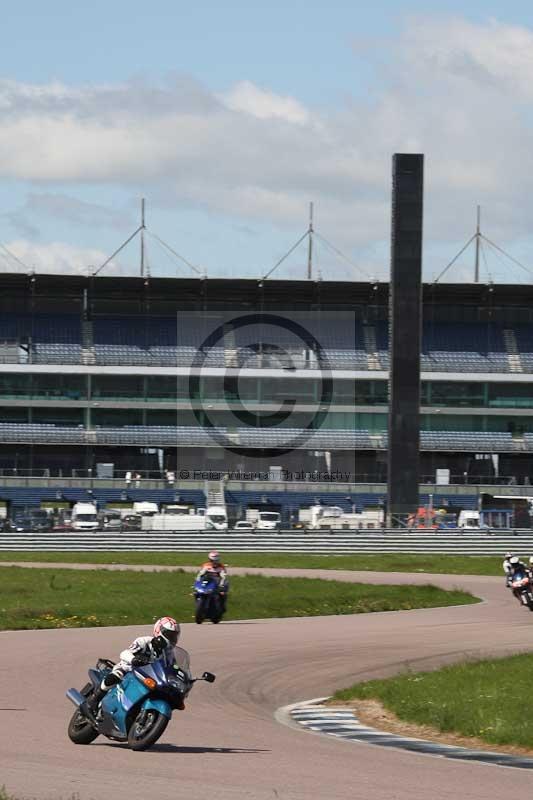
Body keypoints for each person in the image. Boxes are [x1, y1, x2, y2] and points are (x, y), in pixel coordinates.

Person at [87, 616, 181, 714]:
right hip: (128, 669)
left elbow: (172, 667)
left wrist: (182, 677)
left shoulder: (168, 654)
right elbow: (124, 653)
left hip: (147, 678)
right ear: (159, 630)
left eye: (174, 636)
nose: (172, 639)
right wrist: (133, 659)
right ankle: (94, 699)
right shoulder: (144, 641)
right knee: (116, 676)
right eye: (169, 635)